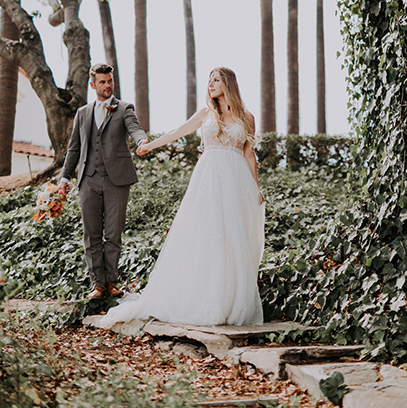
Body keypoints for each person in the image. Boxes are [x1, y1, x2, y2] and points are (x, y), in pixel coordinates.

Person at [98, 66, 265, 328]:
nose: (210, 84)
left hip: (236, 181)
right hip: (209, 178)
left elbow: (248, 154)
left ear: (229, 84)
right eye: (209, 80)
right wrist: (149, 145)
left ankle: (228, 300)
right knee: (207, 234)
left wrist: (256, 187)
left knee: (233, 237)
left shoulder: (247, 117)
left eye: (216, 80)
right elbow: (177, 131)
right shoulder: (206, 114)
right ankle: (203, 298)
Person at [58, 63, 148, 300]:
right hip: (88, 180)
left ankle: (111, 282)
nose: (108, 86)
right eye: (102, 82)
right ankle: (97, 284)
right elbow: (73, 149)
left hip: (117, 181)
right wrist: (64, 177)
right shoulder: (82, 113)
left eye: (110, 81)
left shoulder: (124, 108)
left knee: (113, 233)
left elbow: (135, 128)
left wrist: (141, 142)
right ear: (93, 84)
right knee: (91, 234)